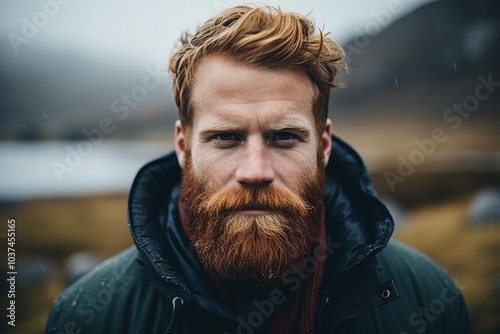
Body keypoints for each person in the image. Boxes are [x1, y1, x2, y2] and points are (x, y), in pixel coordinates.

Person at [46, 5, 474, 334]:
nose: (255, 171)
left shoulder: (426, 299)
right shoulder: (91, 316)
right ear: (183, 147)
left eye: (284, 137)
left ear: (323, 146)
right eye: (226, 138)